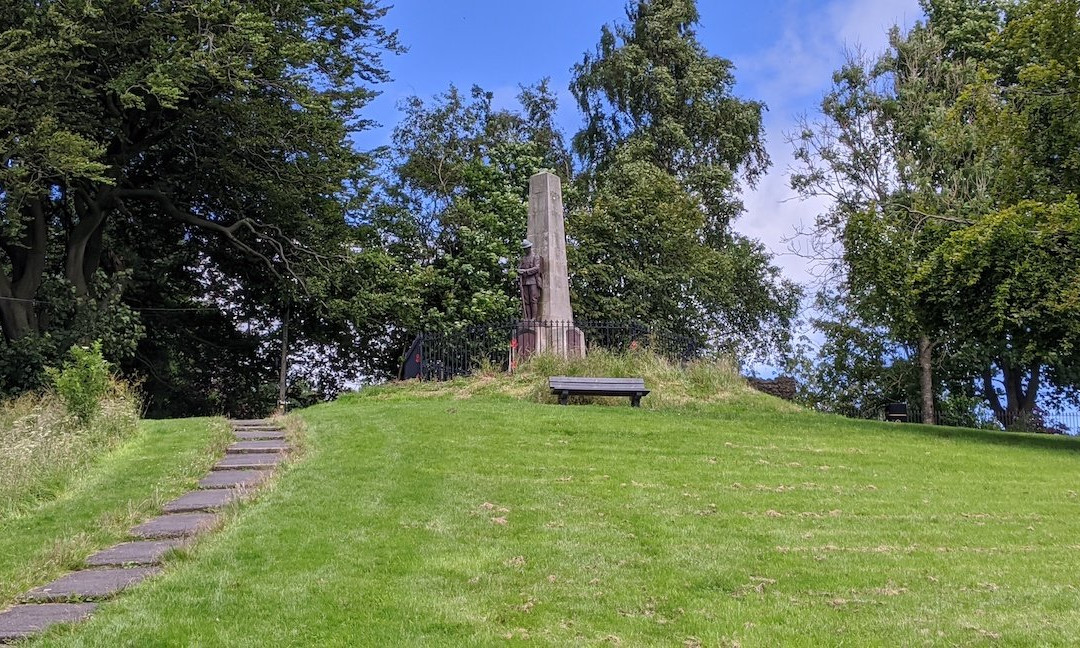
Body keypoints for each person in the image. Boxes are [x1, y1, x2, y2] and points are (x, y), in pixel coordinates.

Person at [517, 239, 542, 320]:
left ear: (529, 247)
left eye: (526, 248)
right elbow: (519, 268)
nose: (525, 250)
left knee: (533, 299)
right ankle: (527, 317)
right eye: (524, 249)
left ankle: (534, 317)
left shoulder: (535, 256)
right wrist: (519, 272)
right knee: (526, 300)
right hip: (524, 282)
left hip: (533, 281)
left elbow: (537, 268)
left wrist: (525, 271)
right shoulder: (523, 258)